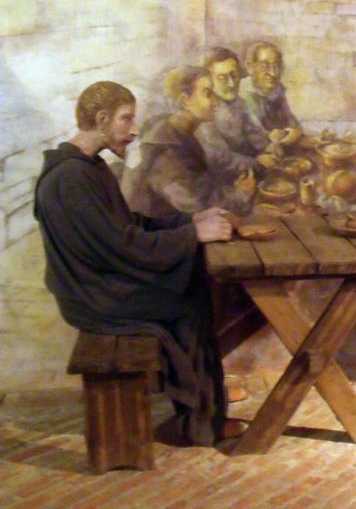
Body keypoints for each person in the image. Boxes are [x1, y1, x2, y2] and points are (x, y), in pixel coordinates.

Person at [34, 81, 245, 444]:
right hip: (94, 296)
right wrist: (193, 235)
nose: (134, 130)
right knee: (188, 303)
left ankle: (204, 406)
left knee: (192, 289)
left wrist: (190, 221)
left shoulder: (88, 167)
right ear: (101, 119)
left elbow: (129, 226)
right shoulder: (72, 177)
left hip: (99, 284)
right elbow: (124, 246)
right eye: (126, 119)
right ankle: (200, 424)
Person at [122, 66, 257, 218]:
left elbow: (200, 185)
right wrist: (241, 194)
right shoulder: (164, 151)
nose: (216, 102)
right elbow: (196, 204)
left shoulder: (176, 132)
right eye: (208, 94)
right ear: (185, 101)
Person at [195, 47, 267, 180]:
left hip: (249, 172)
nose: (232, 83)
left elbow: (253, 132)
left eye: (234, 75)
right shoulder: (204, 112)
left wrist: (268, 148)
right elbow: (221, 159)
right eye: (223, 78)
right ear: (209, 81)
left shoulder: (240, 103)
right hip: (224, 181)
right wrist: (257, 162)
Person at [242, 41, 300, 146]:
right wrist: (271, 136)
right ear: (249, 67)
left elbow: (291, 121)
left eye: (276, 66)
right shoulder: (244, 95)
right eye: (264, 66)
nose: (273, 73)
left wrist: (295, 131)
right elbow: (255, 136)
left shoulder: (276, 91)